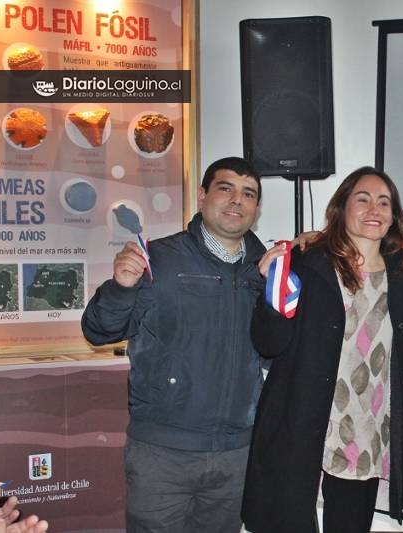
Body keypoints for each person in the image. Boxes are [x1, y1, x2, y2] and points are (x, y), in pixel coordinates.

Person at [241, 167, 403, 533]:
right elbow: (268, 343)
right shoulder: (308, 263)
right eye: (362, 199)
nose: (374, 209)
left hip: (364, 426)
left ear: (394, 216)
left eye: (384, 202)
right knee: (287, 520)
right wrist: (271, 295)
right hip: (301, 421)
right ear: (341, 207)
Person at [81, 157, 267, 533]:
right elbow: (98, 330)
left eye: (248, 194)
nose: (237, 201)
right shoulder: (159, 259)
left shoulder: (266, 271)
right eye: (225, 188)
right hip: (162, 455)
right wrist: (120, 287)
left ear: (257, 208)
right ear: (202, 196)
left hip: (236, 456)